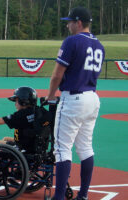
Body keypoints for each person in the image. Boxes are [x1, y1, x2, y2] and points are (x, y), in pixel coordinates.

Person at [46, 7, 105, 200]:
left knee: (62, 148)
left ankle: (60, 196)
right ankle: (84, 195)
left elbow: (57, 74)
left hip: (73, 98)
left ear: (79, 22)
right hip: (92, 98)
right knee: (86, 148)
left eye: (70, 21)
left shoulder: (72, 41)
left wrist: (50, 95)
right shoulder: (99, 45)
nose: (67, 24)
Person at [0, 86, 51, 181]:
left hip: (23, 150)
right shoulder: (39, 111)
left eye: (16, 101)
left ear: (23, 101)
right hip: (35, 147)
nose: (15, 104)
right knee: (5, 139)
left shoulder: (20, 115)